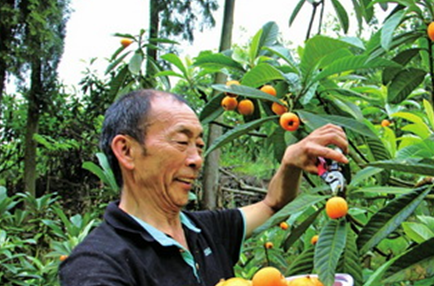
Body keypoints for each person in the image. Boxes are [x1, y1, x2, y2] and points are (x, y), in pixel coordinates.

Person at [59, 89, 348, 286]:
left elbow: (273, 204)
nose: (197, 159)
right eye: (182, 142)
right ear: (126, 150)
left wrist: (290, 162)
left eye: (199, 145)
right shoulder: (96, 265)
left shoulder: (206, 230)